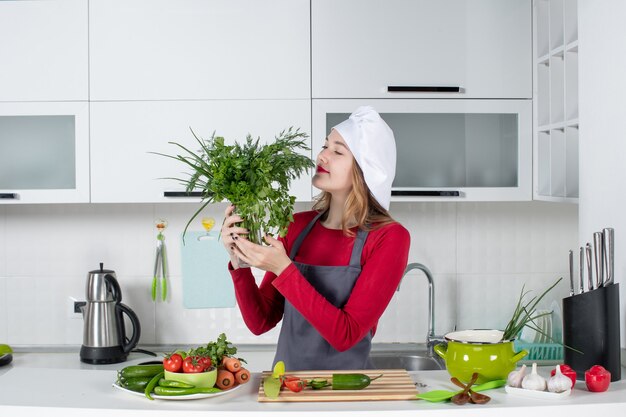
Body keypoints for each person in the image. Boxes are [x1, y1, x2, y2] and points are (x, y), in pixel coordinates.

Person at [220, 106, 410, 370]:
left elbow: (346, 335)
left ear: (365, 169)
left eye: (338, 151)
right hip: (287, 388)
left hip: (347, 393)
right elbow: (260, 322)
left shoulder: (389, 238)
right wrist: (239, 263)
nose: (322, 156)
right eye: (324, 146)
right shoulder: (297, 226)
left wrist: (283, 268)